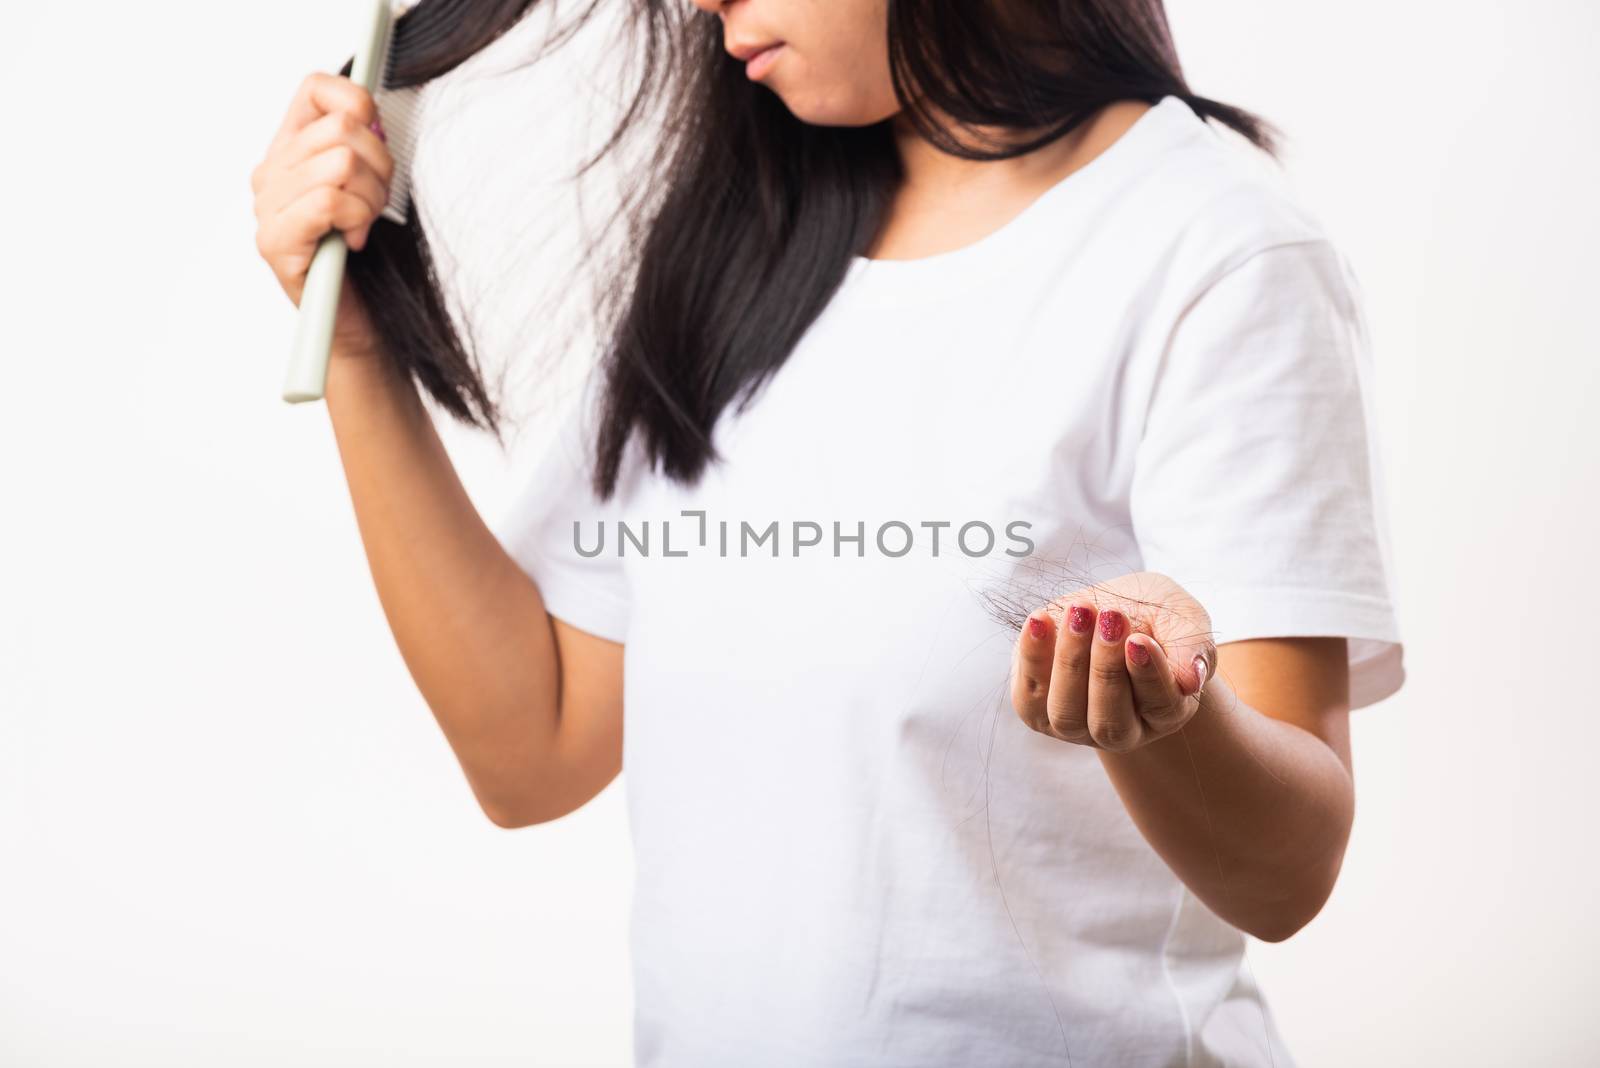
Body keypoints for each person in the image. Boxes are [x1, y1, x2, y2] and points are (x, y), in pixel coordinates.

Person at [250, 0, 1405, 1064]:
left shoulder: (1213, 251)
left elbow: (1288, 874)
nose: (703, 2)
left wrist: (1163, 719)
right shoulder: (734, 257)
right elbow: (531, 748)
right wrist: (356, 348)